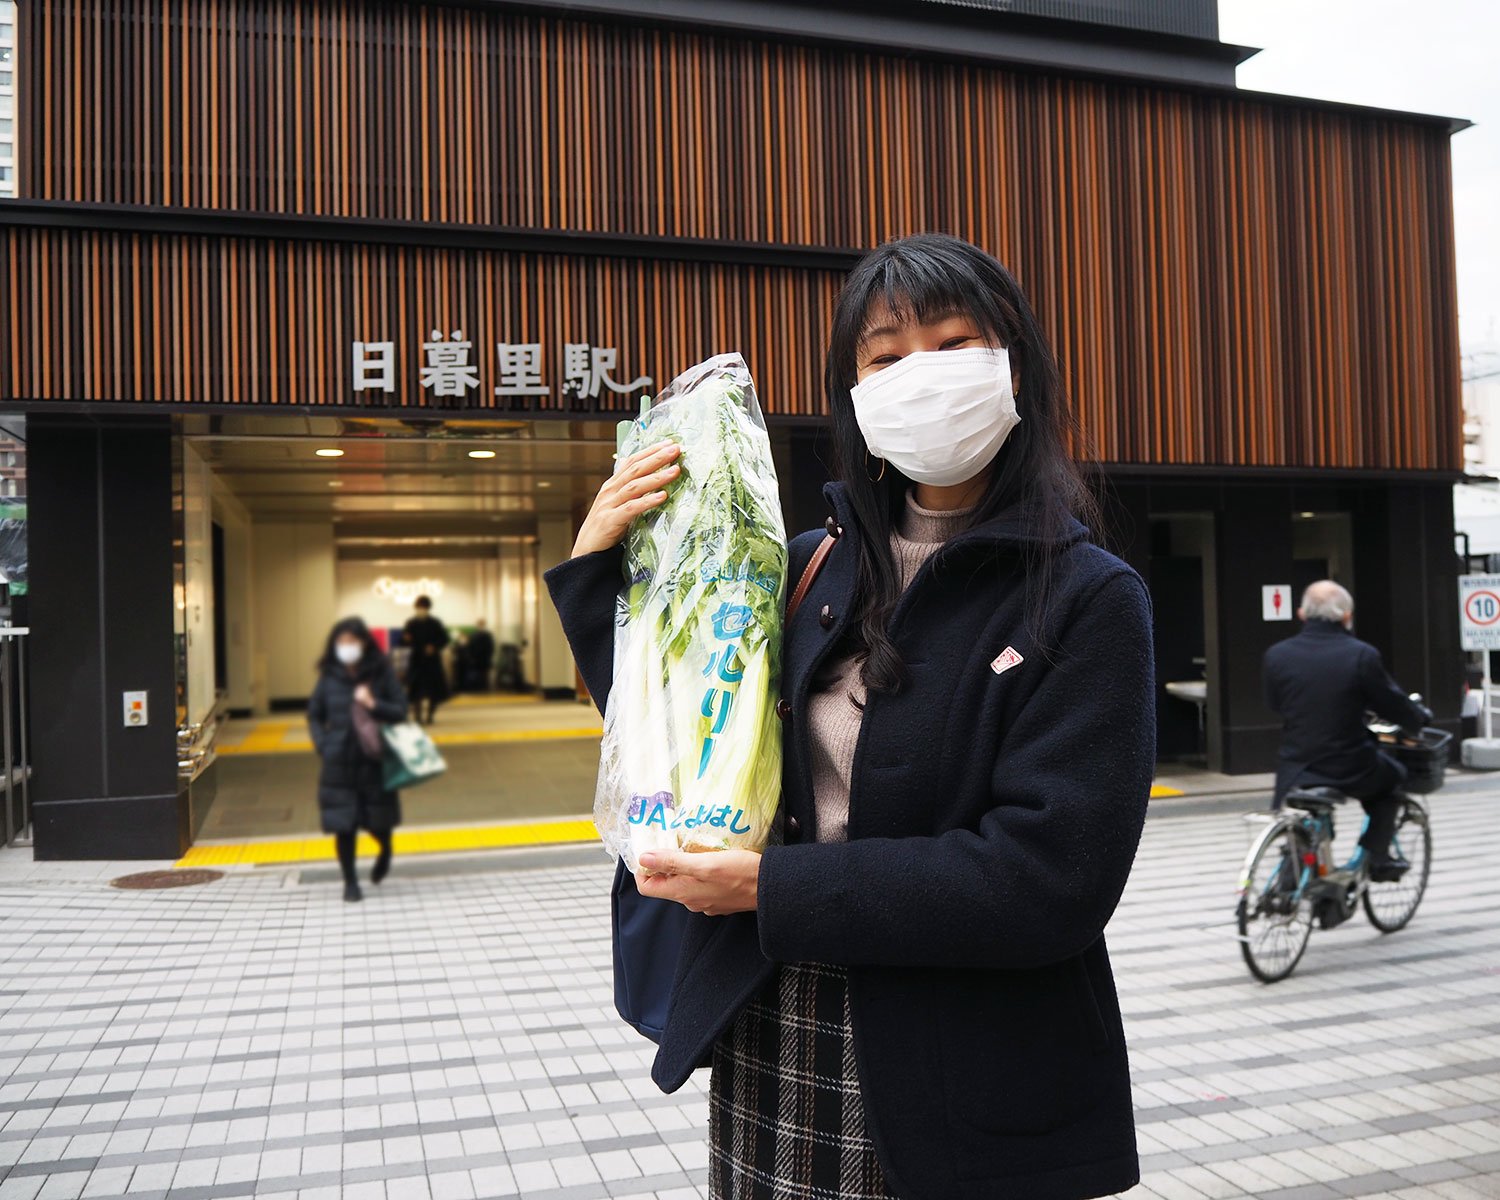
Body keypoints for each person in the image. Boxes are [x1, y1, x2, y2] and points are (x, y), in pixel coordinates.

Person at [546, 233, 1155, 1199]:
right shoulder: (809, 568)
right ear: (856, 394)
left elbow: (1050, 880)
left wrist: (770, 888)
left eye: (955, 344)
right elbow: (676, 726)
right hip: (777, 1024)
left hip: (966, 1060)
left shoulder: (1088, 597)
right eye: (887, 356)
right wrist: (598, 563)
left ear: (1015, 369)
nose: (923, 375)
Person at [1263, 580, 1431, 881]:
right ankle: (1378, 858)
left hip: (1295, 767)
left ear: (1302, 614)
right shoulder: (1361, 655)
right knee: (1393, 779)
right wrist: (1418, 718)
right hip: (1348, 765)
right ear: (1346, 616)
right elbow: (1391, 702)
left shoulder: (1277, 654)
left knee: (1310, 818)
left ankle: (1293, 876)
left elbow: (1275, 703)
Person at [307, 617, 408, 902]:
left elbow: (401, 710)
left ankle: (385, 850)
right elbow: (315, 714)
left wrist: (373, 703)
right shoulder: (329, 676)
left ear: (364, 643)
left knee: (379, 821)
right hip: (338, 762)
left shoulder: (381, 672)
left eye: (351, 641)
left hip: (374, 760)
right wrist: (323, 743)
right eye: (341, 642)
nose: (346, 647)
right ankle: (350, 882)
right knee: (344, 824)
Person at [402, 595, 450, 724]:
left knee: (434, 691)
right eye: (419, 607)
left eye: (424, 607)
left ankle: (430, 715)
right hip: (416, 661)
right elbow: (404, 641)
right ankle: (417, 716)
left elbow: (445, 639)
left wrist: (434, 646)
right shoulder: (411, 623)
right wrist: (406, 639)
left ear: (428, 608)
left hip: (432, 662)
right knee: (415, 691)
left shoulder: (435, 623)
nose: (421, 610)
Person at [466, 618, 496, 691]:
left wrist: (470, 657)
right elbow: (491, 648)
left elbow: (469, 647)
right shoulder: (487, 635)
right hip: (484, 659)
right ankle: (483, 688)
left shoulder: (473, 635)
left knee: (478, 675)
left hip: (476, 659)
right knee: (483, 675)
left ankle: (478, 687)